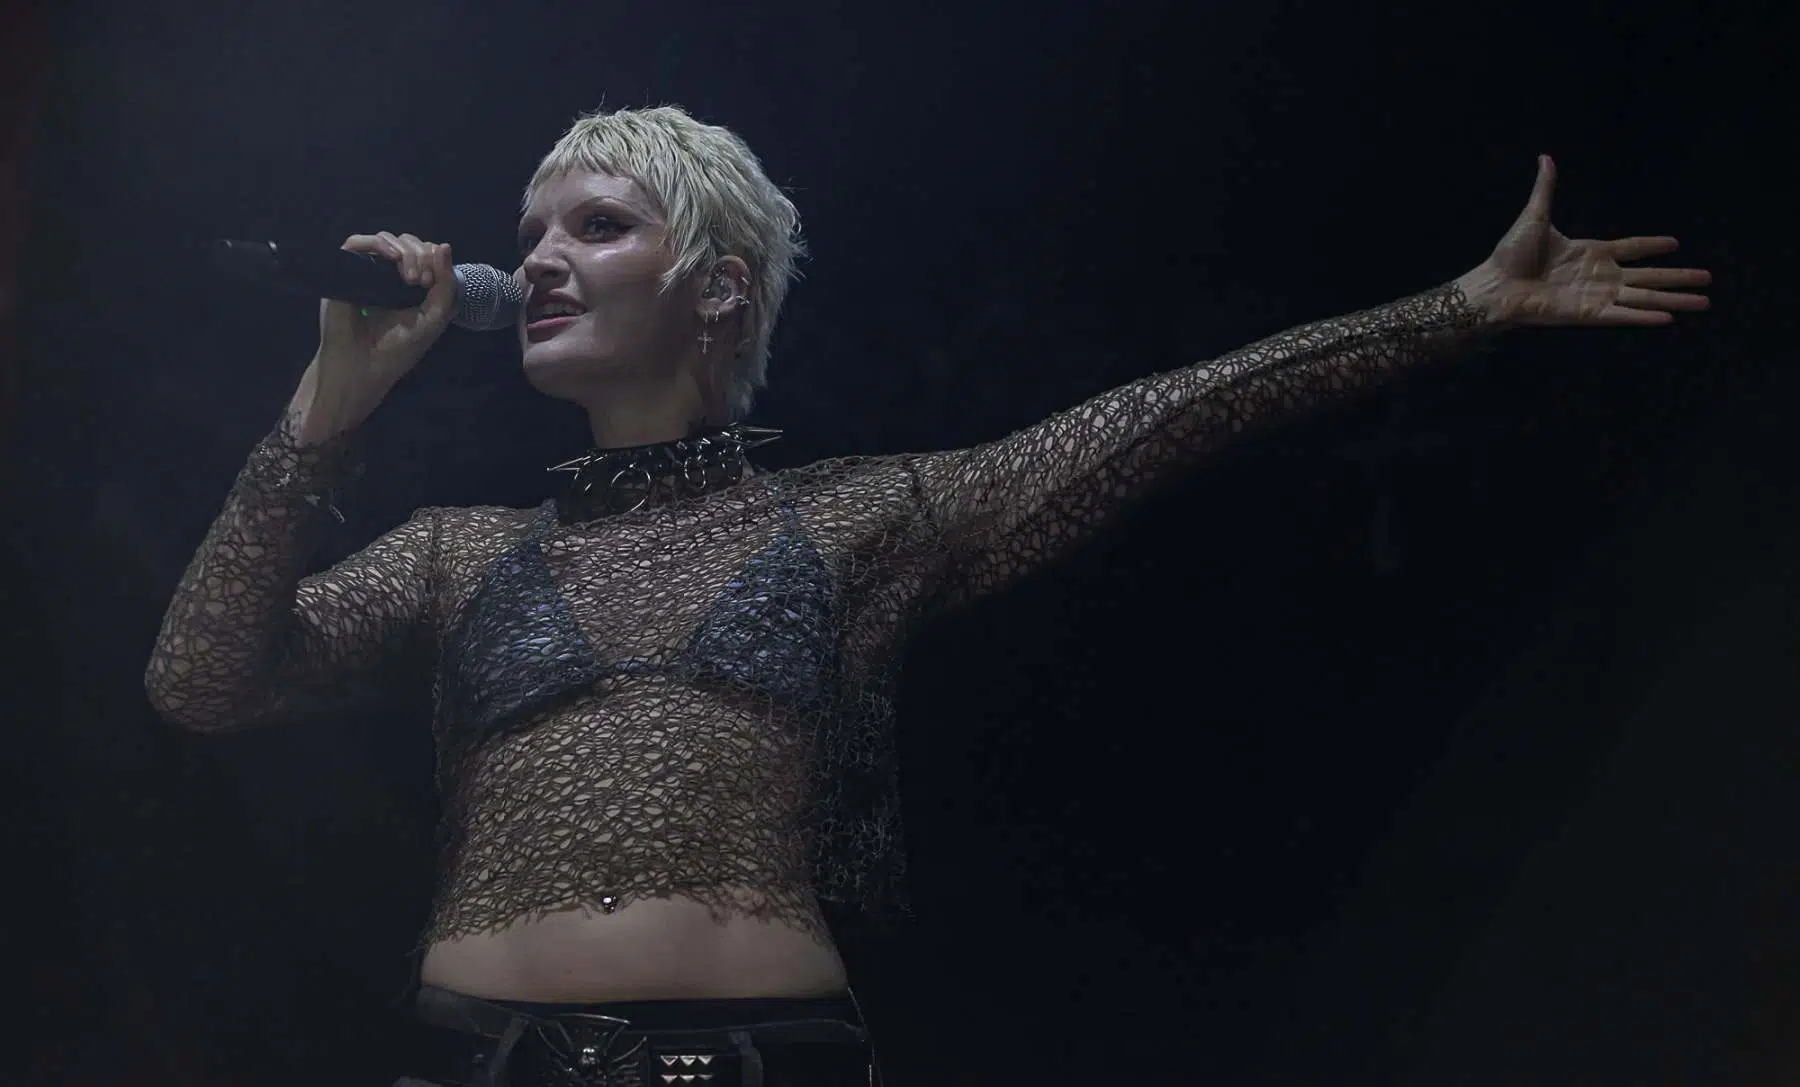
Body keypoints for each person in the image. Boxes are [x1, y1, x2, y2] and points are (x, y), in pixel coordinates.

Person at [143, 104, 1710, 1087]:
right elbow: (199, 682)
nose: (541, 258)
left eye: (597, 226)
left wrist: (1458, 308)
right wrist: (329, 408)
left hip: (769, 1062)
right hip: (479, 1061)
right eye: (531, 234)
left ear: (717, 287)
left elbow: (1161, 417)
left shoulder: (859, 517)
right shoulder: (457, 547)